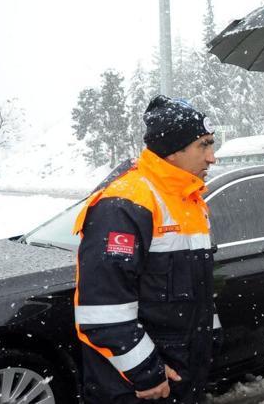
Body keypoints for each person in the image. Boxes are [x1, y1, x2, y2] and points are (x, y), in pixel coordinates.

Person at [73, 95, 221, 403]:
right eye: (204, 145)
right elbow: (103, 310)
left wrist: (210, 336)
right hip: (138, 388)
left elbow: (196, 287)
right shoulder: (126, 203)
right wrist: (146, 372)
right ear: (172, 151)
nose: (212, 157)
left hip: (180, 376)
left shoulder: (189, 199)